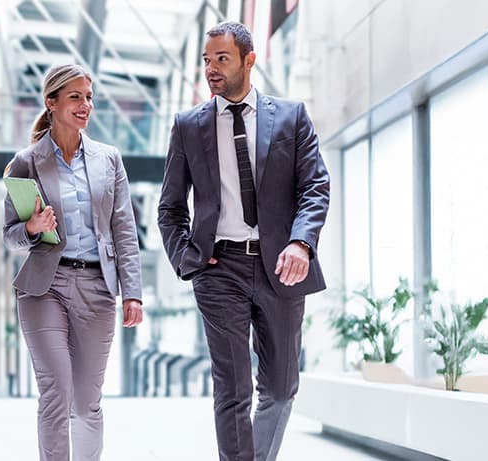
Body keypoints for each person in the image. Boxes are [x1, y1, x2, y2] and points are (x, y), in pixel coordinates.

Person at [157, 21, 330, 461]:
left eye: (222, 59)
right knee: (232, 390)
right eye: (206, 61)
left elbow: (315, 187)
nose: (211, 70)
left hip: (282, 267)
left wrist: (301, 243)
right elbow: (170, 207)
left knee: (280, 386)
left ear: (249, 60)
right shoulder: (188, 126)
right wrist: (189, 261)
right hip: (219, 270)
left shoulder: (292, 117)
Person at [3, 64, 143, 461]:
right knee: (56, 392)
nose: (86, 105)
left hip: (98, 289)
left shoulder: (109, 159)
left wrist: (132, 293)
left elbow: (124, 231)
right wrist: (31, 227)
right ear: (52, 103)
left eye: (89, 96)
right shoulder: (26, 162)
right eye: (76, 97)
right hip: (44, 287)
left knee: (85, 403)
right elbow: (9, 234)